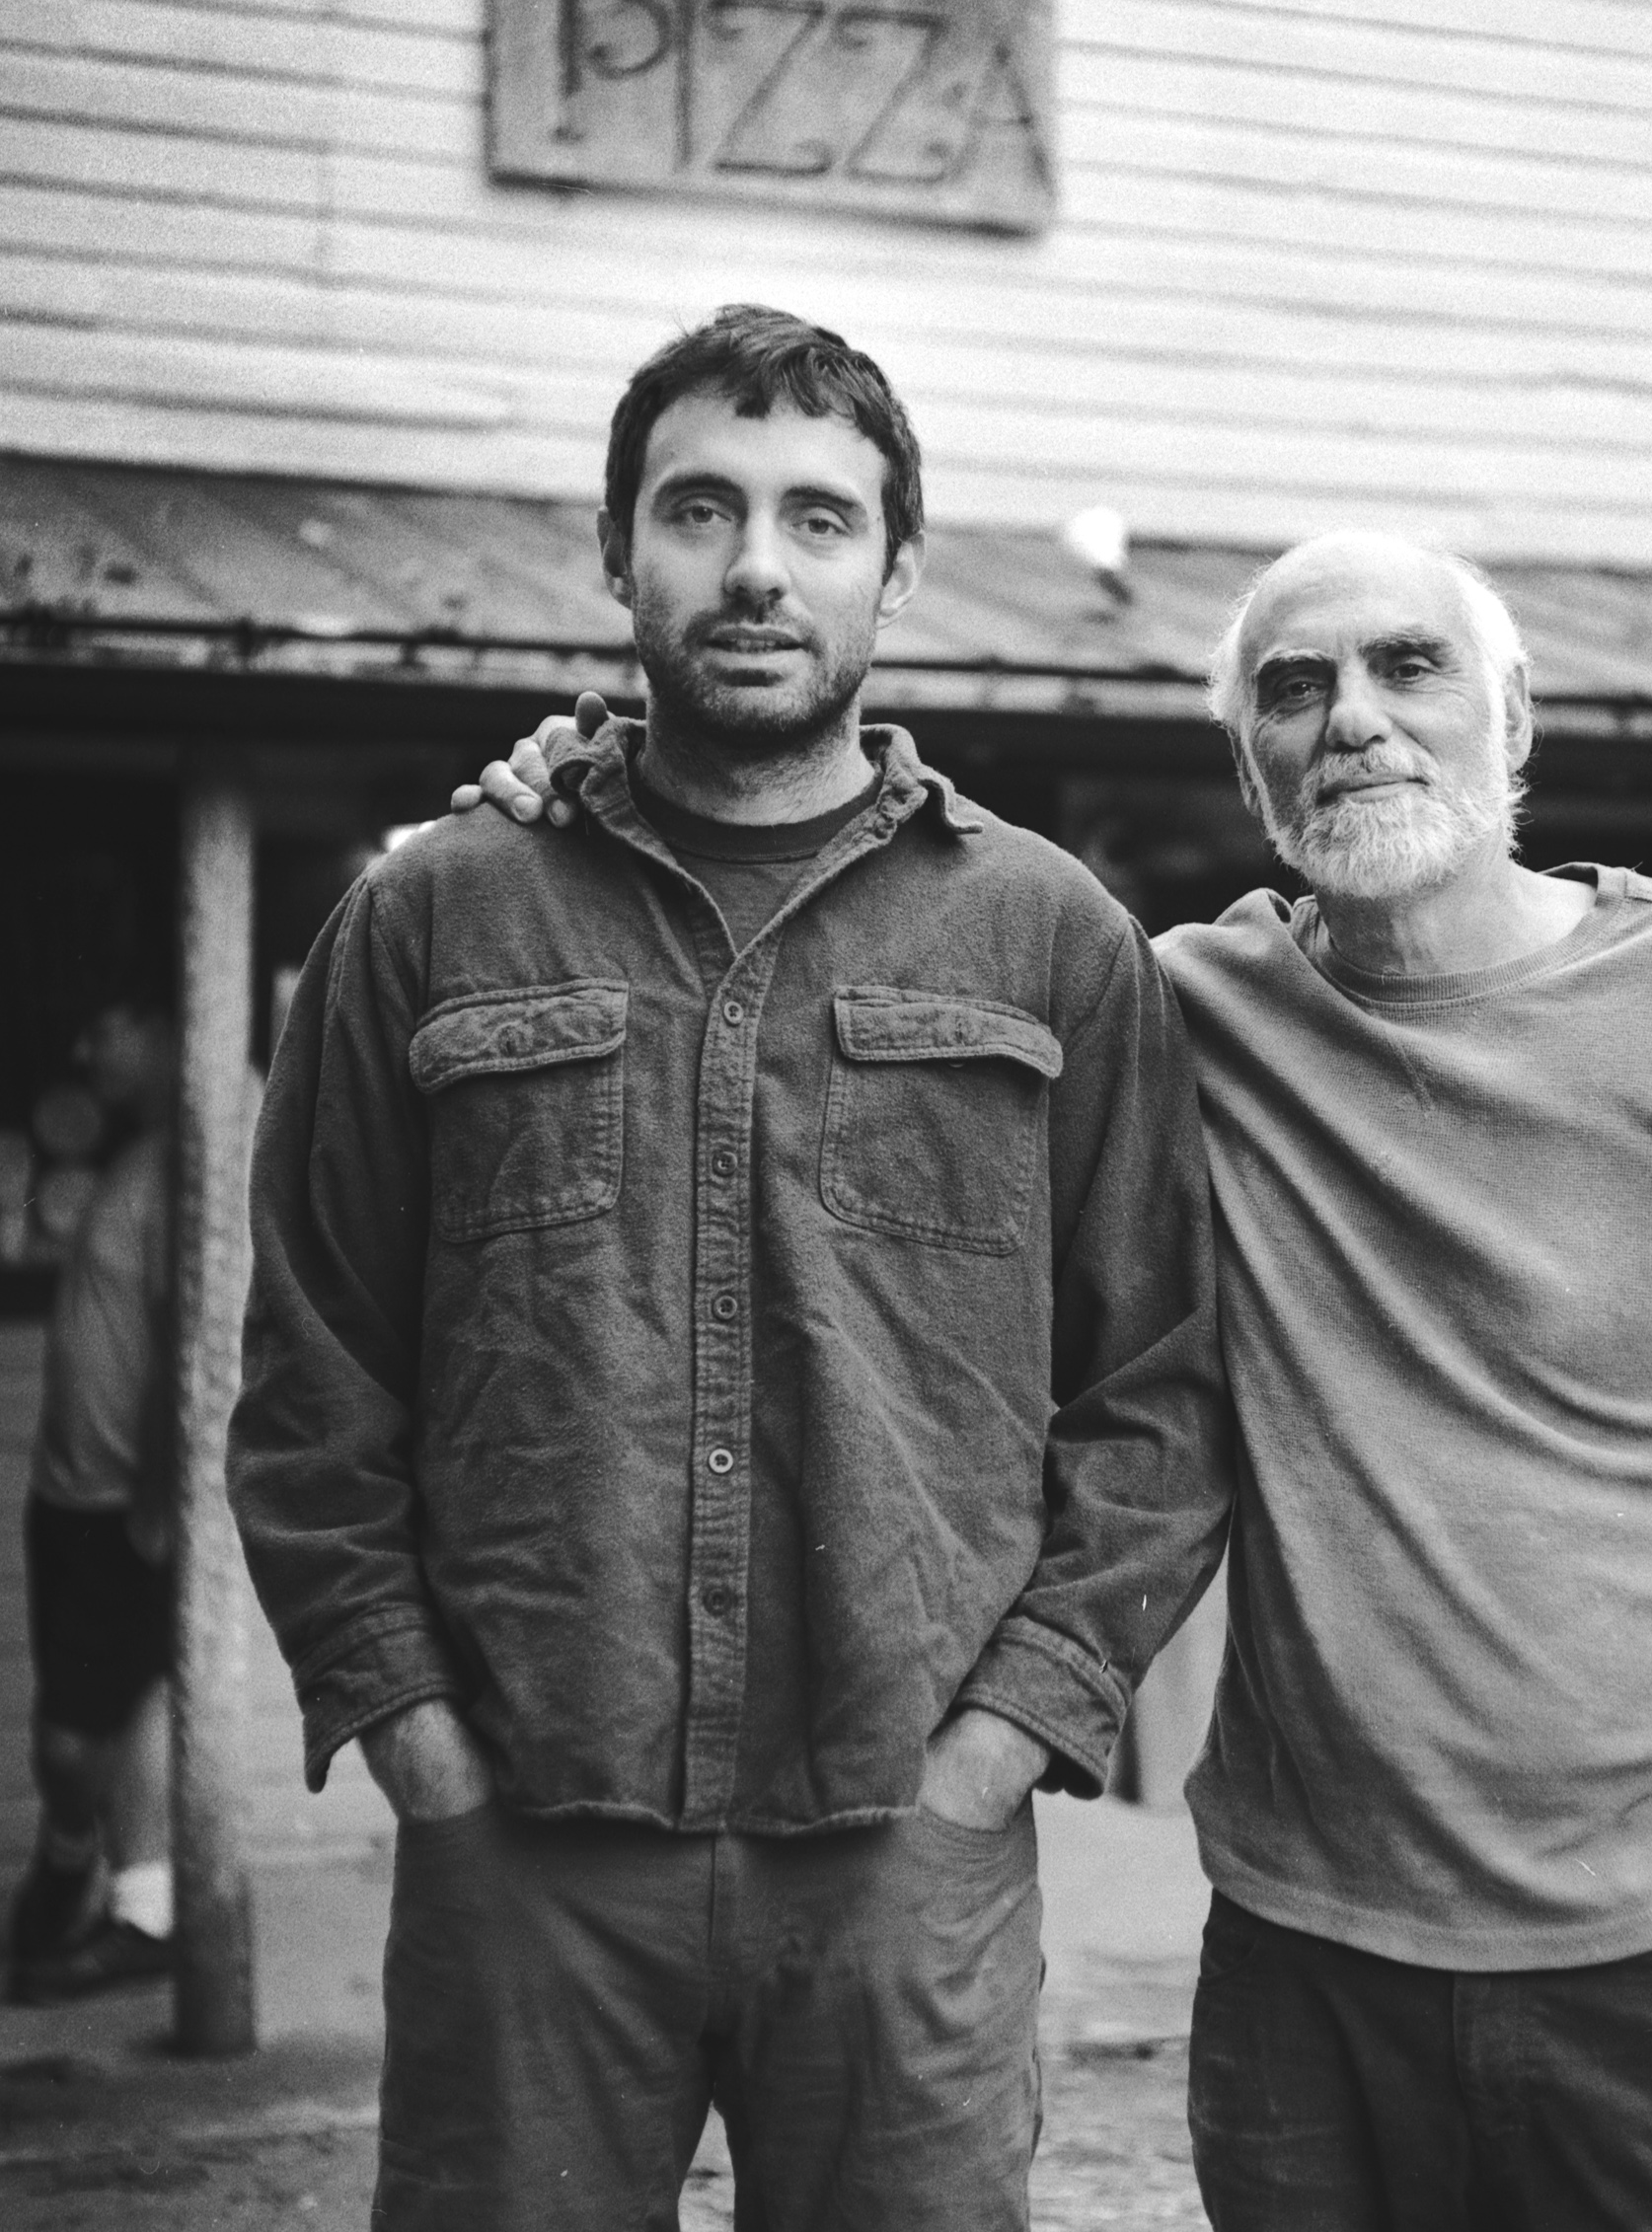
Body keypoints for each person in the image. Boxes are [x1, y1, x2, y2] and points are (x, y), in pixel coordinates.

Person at [486, 526, 1652, 2231]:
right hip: (1304, 1972)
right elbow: (839, 990)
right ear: (1250, 760)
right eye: (1294, 689)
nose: (1352, 716)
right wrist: (596, 797)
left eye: (1407, 666)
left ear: (1513, 720)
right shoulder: (1187, 1012)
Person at [230, 305, 1232, 2232]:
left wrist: (1004, 1730)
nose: (757, 564)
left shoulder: (1045, 938)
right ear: (619, 552)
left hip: (902, 1848)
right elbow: (311, 1371)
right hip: (522, 1840)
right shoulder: (433, 913)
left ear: (898, 568)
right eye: (699, 508)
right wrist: (416, 1734)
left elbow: (1160, 1392)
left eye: (818, 518)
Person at [10, 1002, 181, 2002]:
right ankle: (134, 1898)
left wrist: (160, 1495)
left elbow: (189, 1326)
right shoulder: (141, 1152)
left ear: (159, 1021)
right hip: (68, 1492)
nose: (83, 1050)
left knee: (78, 1733)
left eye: (101, 1025)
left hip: (125, 1497)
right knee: (116, 1704)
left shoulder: (186, 1153)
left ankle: (81, 1856)